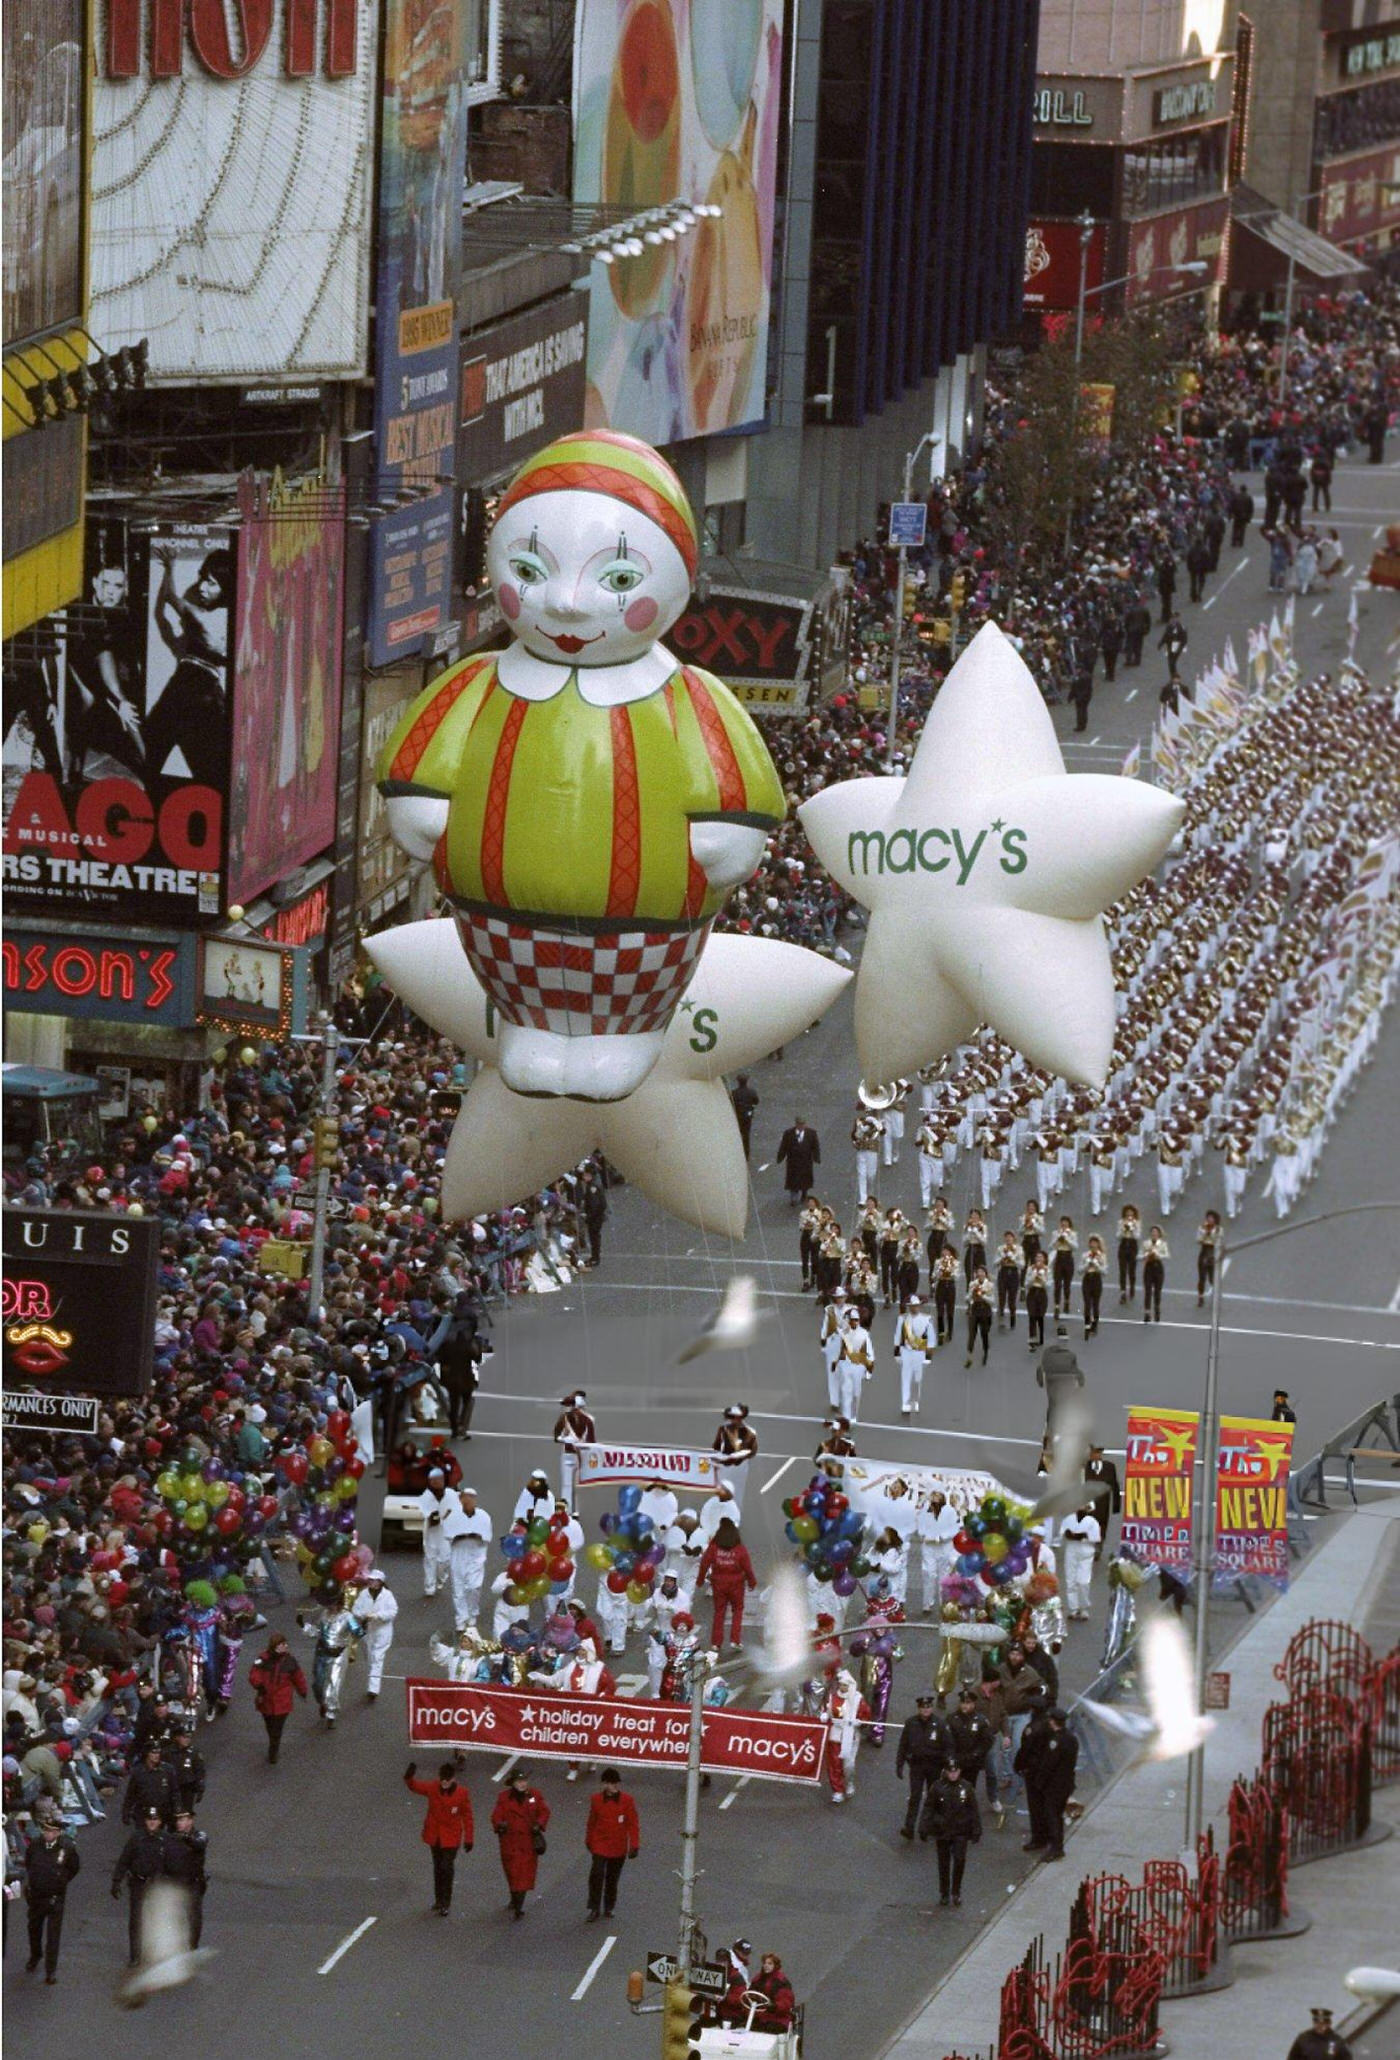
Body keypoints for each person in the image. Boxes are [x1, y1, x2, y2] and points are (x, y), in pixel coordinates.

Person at [404, 1759, 474, 1915]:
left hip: (451, 1837)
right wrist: (409, 1777)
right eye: (442, 1779)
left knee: (446, 1867)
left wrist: (469, 1838)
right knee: (438, 1868)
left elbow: (467, 1816)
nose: (444, 1783)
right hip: (435, 1836)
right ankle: (439, 1900)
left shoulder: (462, 1793)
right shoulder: (433, 1787)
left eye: (447, 1780)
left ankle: (445, 1902)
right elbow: (415, 1786)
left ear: (453, 1779)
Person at [23, 1814, 80, 1982]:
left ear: (58, 1832)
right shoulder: (35, 1845)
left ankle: (50, 1970)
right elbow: (29, 1863)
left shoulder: (67, 1847)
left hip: (55, 1897)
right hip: (36, 1895)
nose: (47, 1834)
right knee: (34, 1929)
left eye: (51, 1831)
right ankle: (35, 1955)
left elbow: (74, 1867)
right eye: (45, 1830)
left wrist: (62, 1880)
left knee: (53, 1935)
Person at [919, 1757, 981, 1906]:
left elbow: (973, 1810)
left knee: (959, 1860)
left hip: (960, 1830)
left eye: (955, 1771)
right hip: (943, 1831)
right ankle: (945, 1892)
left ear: (960, 1771)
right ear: (946, 1772)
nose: (953, 1774)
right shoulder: (937, 1787)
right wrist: (924, 1827)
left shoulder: (966, 1788)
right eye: (950, 1772)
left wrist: (976, 1829)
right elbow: (929, 1808)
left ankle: (956, 1892)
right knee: (944, 1863)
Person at [490, 1765, 550, 1918]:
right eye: (519, 1781)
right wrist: (500, 1825)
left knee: (524, 1875)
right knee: (512, 1873)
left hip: (528, 1843)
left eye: (524, 1781)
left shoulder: (535, 1795)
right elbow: (496, 1816)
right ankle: (514, 1896)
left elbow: (544, 1811)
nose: (523, 1784)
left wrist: (539, 1824)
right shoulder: (503, 1798)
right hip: (510, 1842)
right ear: (513, 1783)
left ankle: (519, 1906)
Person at [1019, 1707, 1078, 1860]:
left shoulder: (1055, 1741)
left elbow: (1049, 1764)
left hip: (1055, 1785)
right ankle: (1052, 1844)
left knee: (1052, 1815)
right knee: (1055, 1814)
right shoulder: (1071, 1738)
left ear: (1053, 1721)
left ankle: (1056, 1848)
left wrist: (1040, 1781)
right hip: (1066, 1782)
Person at [112, 1803, 166, 1965]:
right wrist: (116, 1881)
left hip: (156, 1885)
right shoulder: (136, 1838)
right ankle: (135, 1955)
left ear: (160, 1821)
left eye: (155, 1819)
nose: (152, 1822)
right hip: (138, 1883)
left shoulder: (166, 1840)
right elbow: (124, 1860)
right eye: (149, 1819)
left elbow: (173, 1864)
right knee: (136, 1920)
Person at [584, 1767, 640, 1920]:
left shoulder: (627, 1800)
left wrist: (634, 1845)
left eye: (616, 1783)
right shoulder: (596, 1799)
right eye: (611, 1783)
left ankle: (609, 1907)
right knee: (596, 1876)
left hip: (618, 1846)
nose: (614, 1786)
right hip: (600, 1844)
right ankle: (594, 1908)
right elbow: (592, 1822)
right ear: (604, 1784)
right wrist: (589, 1840)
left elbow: (633, 1824)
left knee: (612, 1878)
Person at [895, 1693, 949, 1840]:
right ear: (919, 1708)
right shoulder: (911, 1723)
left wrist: (947, 1765)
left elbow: (947, 1746)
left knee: (932, 1798)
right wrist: (899, 1764)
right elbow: (903, 1745)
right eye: (923, 1707)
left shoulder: (939, 1724)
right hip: (917, 1766)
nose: (926, 1710)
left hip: (934, 1765)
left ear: (932, 1708)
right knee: (915, 1797)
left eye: (928, 1707)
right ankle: (909, 1827)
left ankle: (926, 1827)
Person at [697, 1518, 757, 1650]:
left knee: (719, 1612)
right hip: (737, 1584)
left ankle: (716, 1643)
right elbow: (747, 1568)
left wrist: (700, 1580)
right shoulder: (740, 1549)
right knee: (737, 1610)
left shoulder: (714, 1548)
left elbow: (704, 1564)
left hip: (718, 1584)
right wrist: (752, 1582)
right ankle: (735, 1640)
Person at [249, 1632, 307, 1763]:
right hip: (266, 1700)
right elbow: (254, 1674)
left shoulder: (290, 1661)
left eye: (285, 1644)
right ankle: (273, 1743)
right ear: (275, 1646)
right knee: (269, 1725)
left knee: (277, 1728)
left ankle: (273, 1749)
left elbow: (298, 1677)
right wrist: (259, 1685)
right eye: (283, 1644)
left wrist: (302, 1690)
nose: (286, 1646)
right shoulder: (263, 1659)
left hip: (282, 1702)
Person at [443, 1486, 493, 1633]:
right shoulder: (453, 1516)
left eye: (471, 1498)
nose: (468, 1501)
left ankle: (472, 1612)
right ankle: (461, 1618)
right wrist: (461, 1536)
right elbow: (448, 1535)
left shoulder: (483, 1516)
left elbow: (486, 1537)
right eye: (465, 1498)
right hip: (459, 1554)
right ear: (461, 1500)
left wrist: (474, 1536)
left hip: (476, 1555)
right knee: (458, 1589)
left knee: (473, 1587)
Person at [160, 1805, 209, 1948]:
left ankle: (193, 1945)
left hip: (193, 1883)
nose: (179, 1823)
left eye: (183, 1820)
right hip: (176, 1882)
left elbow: (200, 1844)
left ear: (191, 1821)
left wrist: (186, 1838)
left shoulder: (199, 1835)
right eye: (178, 1820)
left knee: (193, 1916)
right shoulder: (171, 1838)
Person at [350, 1568, 399, 1699]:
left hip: (383, 1630)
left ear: (380, 1582)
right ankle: (373, 1681)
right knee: (371, 1657)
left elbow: (393, 1611)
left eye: (374, 1580)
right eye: (370, 1580)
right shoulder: (363, 1594)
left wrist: (378, 1616)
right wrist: (363, 1615)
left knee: (377, 1657)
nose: (371, 1582)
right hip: (368, 1630)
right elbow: (355, 1609)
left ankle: (373, 1689)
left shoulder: (387, 1595)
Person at [1035, 1326, 1085, 1432]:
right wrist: (1081, 1382)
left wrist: (1040, 1382)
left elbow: (1041, 1367)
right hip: (1066, 1382)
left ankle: (1049, 1428)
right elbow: (1075, 1370)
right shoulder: (1070, 1355)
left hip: (1051, 1381)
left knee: (1052, 1404)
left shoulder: (1047, 1352)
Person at [553, 1391, 596, 1506]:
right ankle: (567, 1509)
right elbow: (557, 1436)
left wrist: (565, 1439)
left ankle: (573, 1509)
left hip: (579, 1456)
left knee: (573, 1485)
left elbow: (591, 1441)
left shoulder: (588, 1420)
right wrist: (564, 1439)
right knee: (568, 1485)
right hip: (571, 1455)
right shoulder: (567, 1418)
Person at [893, 1295, 934, 1416]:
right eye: (911, 1306)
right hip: (906, 1351)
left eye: (916, 1306)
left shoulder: (927, 1319)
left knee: (917, 1378)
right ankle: (905, 1403)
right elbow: (898, 1336)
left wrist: (928, 1357)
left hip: (920, 1351)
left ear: (919, 1306)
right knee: (906, 1377)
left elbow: (931, 1338)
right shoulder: (902, 1319)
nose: (914, 1308)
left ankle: (915, 1401)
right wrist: (896, 1353)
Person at [419, 1466, 455, 1599]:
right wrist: (434, 1517)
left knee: (444, 1560)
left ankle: (441, 1577)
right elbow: (424, 1513)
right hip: (431, 1533)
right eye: (434, 1480)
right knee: (430, 1559)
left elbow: (457, 1510)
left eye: (439, 1479)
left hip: (446, 1533)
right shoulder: (425, 1496)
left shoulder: (451, 1494)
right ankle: (429, 1587)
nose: (437, 1482)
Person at [123, 1739, 177, 1827]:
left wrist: (177, 1809)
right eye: (153, 1752)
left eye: (158, 1752)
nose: (157, 1755)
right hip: (143, 1811)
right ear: (147, 1753)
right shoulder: (138, 1771)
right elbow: (131, 1794)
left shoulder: (167, 1770)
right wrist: (126, 1811)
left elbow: (175, 1791)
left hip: (162, 1811)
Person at [1060, 1505, 1101, 1619]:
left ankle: (1084, 1608)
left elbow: (1096, 1538)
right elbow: (1063, 1532)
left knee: (1083, 1582)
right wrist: (1069, 1534)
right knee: (1070, 1580)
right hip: (1071, 1549)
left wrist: (1083, 1535)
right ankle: (1073, 1608)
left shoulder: (1092, 1521)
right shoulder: (1069, 1519)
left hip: (1086, 1551)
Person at [776, 1116, 821, 1204]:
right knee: (793, 1178)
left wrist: (817, 1158)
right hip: (793, 1161)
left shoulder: (811, 1133)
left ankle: (804, 1193)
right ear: (796, 1124)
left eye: (803, 1124)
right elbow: (783, 1146)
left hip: (806, 1161)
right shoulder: (788, 1133)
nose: (801, 1126)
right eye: (799, 1124)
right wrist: (780, 1157)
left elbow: (815, 1147)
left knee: (805, 1178)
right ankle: (794, 1195)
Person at [1286, 2005, 1352, 2060]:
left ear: (1329, 2024)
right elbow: (1292, 2057)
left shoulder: (1337, 2041)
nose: (1320, 2026)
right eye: (1317, 2023)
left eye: (1323, 2024)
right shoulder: (1303, 2039)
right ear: (1313, 2023)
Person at [1142, 1224, 1169, 1323]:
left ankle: (1157, 1309)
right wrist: (1146, 1254)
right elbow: (1140, 1255)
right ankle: (1147, 1312)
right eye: (1152, 1232)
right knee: (1148, 1290)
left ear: (1159, 1234)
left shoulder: (1163, 1244)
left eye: (1156, 1232)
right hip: (1148, 1267)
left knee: (1157, 1291)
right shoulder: (1146, 1244)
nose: (1154, 1234)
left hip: (1158, 1267)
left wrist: (1158, 1255)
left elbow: (1167, 1255)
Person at [580, 1172, 607, 1268]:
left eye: (585, 1175)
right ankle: (595, 1257)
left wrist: (588, 1216)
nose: (583, 1178)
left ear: (589, 1175)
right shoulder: (595, 1184)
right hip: (598, 1217)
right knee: (595, 1237)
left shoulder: (592, 1187)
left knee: (594, 1238)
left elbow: (594, 1204)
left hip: (595, 1218)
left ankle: (595, 1258)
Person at [730, 1073, 759, 1159]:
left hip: (738, 1116)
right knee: (746, 1135)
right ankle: (746, 1154)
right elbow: (756, 1101)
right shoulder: (752, 1092)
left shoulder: (734, 1093)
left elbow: (731, 1103)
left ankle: (737, 1152)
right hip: (747, 1116)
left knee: (738, 1134)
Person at [1159, 612, 1188, 680]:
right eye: (1172, 618)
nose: (1173, 620)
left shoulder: (1181, 628)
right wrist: (1161, 643)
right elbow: (1165, 635)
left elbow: (1184, 640)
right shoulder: (1169, 626)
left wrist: (1180, 648)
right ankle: (1173, 675)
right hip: (1170, 646)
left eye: (1175, 618)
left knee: (1172, 662)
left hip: (1177, 646)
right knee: (1170, 662)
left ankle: (1174, 676)